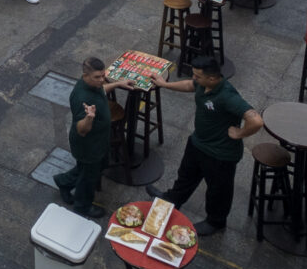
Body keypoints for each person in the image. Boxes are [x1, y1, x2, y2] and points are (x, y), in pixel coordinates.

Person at [146, 57, 263, 236]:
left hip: (220, 154)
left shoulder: (227, 96)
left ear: (212, 78)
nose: (194, 78)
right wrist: (164, 85)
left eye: (197, 76)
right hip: (198, 142)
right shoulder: (202, 84)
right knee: (185, 176)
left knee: (218, 190)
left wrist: (239, 133)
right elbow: (189, 85)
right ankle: (171, 199)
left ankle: (216, 222)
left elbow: (255, 120)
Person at [53, 57, 135, 218]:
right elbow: (81, 130)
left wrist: (118, 84)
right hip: (88, 146)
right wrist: (89, 117)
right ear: (85, 75)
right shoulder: (81, 97)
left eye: (103, 76)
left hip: (99, 141)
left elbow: (102, 90)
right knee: (88, 177)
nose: (102, 80)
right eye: (97, 77)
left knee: (88, 169)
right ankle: (82, 206)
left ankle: (63, 182)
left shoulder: (94, 85)